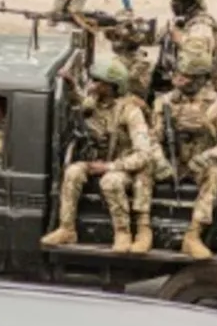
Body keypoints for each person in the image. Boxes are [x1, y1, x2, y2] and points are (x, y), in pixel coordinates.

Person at [42, 59, 154, 253]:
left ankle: (122, 233)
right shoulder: (95, 101)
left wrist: (110, 167)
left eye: (97, 81)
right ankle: (67, 229)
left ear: (111, 87)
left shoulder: (130, 111)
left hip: (122, 166)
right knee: (72, 172)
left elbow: (144, 154)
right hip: (98, 161)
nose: (92, 84)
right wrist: (71, 85)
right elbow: (81, 101)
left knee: (110, 181)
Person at [151, 51, 217, 259]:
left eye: (187, 75)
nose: (179, 79)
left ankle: (193, 235)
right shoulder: (164, 102)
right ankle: (141, 229)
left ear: (201, 79)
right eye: (179, 73)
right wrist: (159, 160)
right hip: (170, 161)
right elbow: (152, 138)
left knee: (213, 174)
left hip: (199, 162)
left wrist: (209, 155)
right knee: (141, 169)